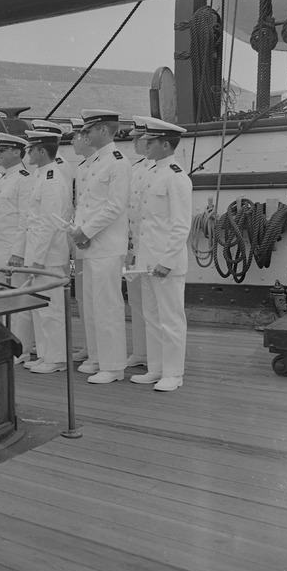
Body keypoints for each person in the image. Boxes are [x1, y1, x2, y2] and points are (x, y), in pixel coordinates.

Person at [129, 117, 192, 392]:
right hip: (147, 261)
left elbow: (180, 225)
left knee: (171, 319)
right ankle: (156, 368)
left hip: (166, 263)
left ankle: (174, 374)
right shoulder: (153, 173)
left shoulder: (176, 177)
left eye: (151, 141)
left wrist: (166, 262)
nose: (146, 144)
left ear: (166, 145)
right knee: (152, 317)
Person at [70, 109, 132, 384]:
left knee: (108, 307)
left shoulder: (117, 163)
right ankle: (97, 357)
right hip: (90, 245)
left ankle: (114, 366)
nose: (85, 135)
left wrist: (85, 230)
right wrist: (80, 232)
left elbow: (114, 206)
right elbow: (85, 204)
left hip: (106, 245)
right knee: (94, 306)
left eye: (89, 130)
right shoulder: (91, 164)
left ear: (105, 131)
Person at [21, 129, 72, 374]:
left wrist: (38, 260)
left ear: (42, 151)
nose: (27, 153)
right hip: (39, 253)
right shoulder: (41, 176)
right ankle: (45, 355)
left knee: (51, 309)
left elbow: (48, 223)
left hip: (48, 256)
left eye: (30, 149)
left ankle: (57, 358)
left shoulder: (52, 179)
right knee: (41, 308)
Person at [0, 132, 35, 364]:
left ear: (16, 152)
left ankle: (22, 348)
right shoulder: (4, 178)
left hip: (14, 252)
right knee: (2, 301)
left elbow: (26, 219)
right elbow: (5, 217)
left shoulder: (25, 179)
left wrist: (18, 252)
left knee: (18, 303)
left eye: (2, 150)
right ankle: (6, 344)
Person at [123, 116, 154, 368]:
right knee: (136, 302)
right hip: (135, 247)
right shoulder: (134, 169)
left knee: (155, 308)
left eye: (138, 137)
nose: (133, 141)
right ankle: (141, 352)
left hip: (153, 249)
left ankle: (157, 356)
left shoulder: (164, 172)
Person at [67, 117, 89, 363]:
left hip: (92, 241)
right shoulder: (82, 168)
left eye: (75, 136)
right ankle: (89, 347)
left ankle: (100, 355)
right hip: (81, 241)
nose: (72, 141)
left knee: (97, 302)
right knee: (83, 298)